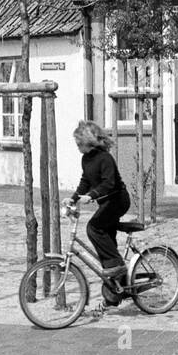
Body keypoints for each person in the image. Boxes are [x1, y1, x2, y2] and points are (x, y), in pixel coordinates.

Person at [65, 121, 130, 306]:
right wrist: (74, 198)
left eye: (79, 143)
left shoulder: (105, 158)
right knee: (106, 240)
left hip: (118, 200)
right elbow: (85, 181)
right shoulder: (86, 159)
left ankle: (117, 266)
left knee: (94, 228)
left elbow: (109, 184)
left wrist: (92, 195)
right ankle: (117, 290)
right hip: (106, 202)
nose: (77, 147)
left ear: (88, 142)